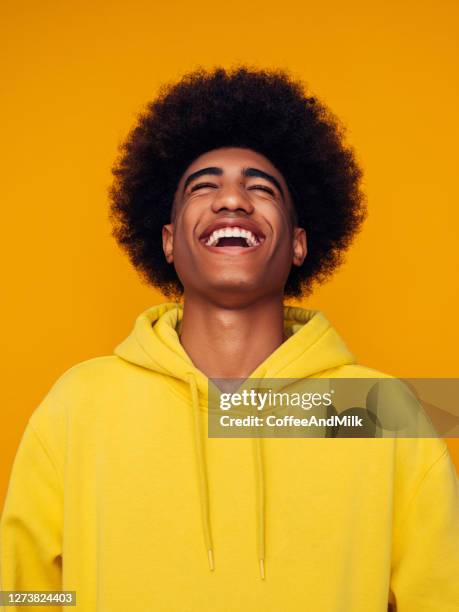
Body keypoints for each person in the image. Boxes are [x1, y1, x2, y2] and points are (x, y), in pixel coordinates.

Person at [1, 66, 458, 612]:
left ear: (297, 243)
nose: (233, 200)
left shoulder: (382, 412)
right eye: (204, 186)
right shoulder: (78, 404)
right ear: (168, 241)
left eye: (261, 188)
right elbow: (23, 594)